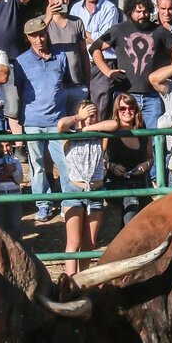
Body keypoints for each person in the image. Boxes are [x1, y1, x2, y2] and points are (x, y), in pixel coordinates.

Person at [92, 0, 172, 129]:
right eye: (138, 11)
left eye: (146, 11)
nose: (142, 15)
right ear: (130, 11)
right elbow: (95, 48)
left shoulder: (158, 31)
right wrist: (108, 72)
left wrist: (171, 69)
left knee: (154, 140)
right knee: (125, 140)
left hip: (152, 97)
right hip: (125, 96)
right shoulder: (119, 29)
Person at [14, 17, 70, 222]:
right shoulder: (20, 61)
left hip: (57, 121)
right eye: (34, 35)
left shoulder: (61, 57)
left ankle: (68, 203)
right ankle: (43, 204)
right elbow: (18, 91)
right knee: (36, 165)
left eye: (42, 34)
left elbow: (65, 84)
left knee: (64, 163)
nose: (39, 39)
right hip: (32, 121)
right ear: (27, 38)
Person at [56, 101, 106, 276]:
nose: (89, 119)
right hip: (74, 191)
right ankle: (70, 280)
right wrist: (79, 118)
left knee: (90, 242)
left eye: (93, 115)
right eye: (86, 115)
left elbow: (114, 124)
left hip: (96, 191)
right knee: (74, 241)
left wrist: (89, 127)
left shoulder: (101, 133)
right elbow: (61, 125)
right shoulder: (70, 135)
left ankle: (82, 278)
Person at [70, 0, 122, 120]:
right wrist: (89, 36)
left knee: (99, 108)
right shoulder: (75, 9)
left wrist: (84, 35)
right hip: (80, 62)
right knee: (80, 106)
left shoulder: (109, 8)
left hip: (103, 63)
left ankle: (99, 141)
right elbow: (74, 35)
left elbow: (104, 39)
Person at [101, 93, 152, 225]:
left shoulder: (143, 132)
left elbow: (150, 158)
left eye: (131, 107)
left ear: (136, 110)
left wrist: (145, 166)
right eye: (122, 109)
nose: (127, 111)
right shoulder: (110, 133)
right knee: (131, 200)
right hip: (115, 183)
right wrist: (111, 166)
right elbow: (100, 158)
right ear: (116, 111)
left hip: (139, 182)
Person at [44, 0, 90, 110]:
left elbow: (83, 53)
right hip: (54, 86)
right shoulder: (42, 23)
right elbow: (37, 44)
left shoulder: (77, 22)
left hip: (77, 84)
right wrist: (48, 18)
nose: (61, 2)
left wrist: (88, 83)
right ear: (49, 0)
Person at [0, 135, 24, 239]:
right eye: (1, 146)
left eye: (7, 145)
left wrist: (14, 171)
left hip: (14, 196)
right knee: (0, 226)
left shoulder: (15, 161)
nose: (5, 149)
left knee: (15, 225)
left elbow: (20, 179)